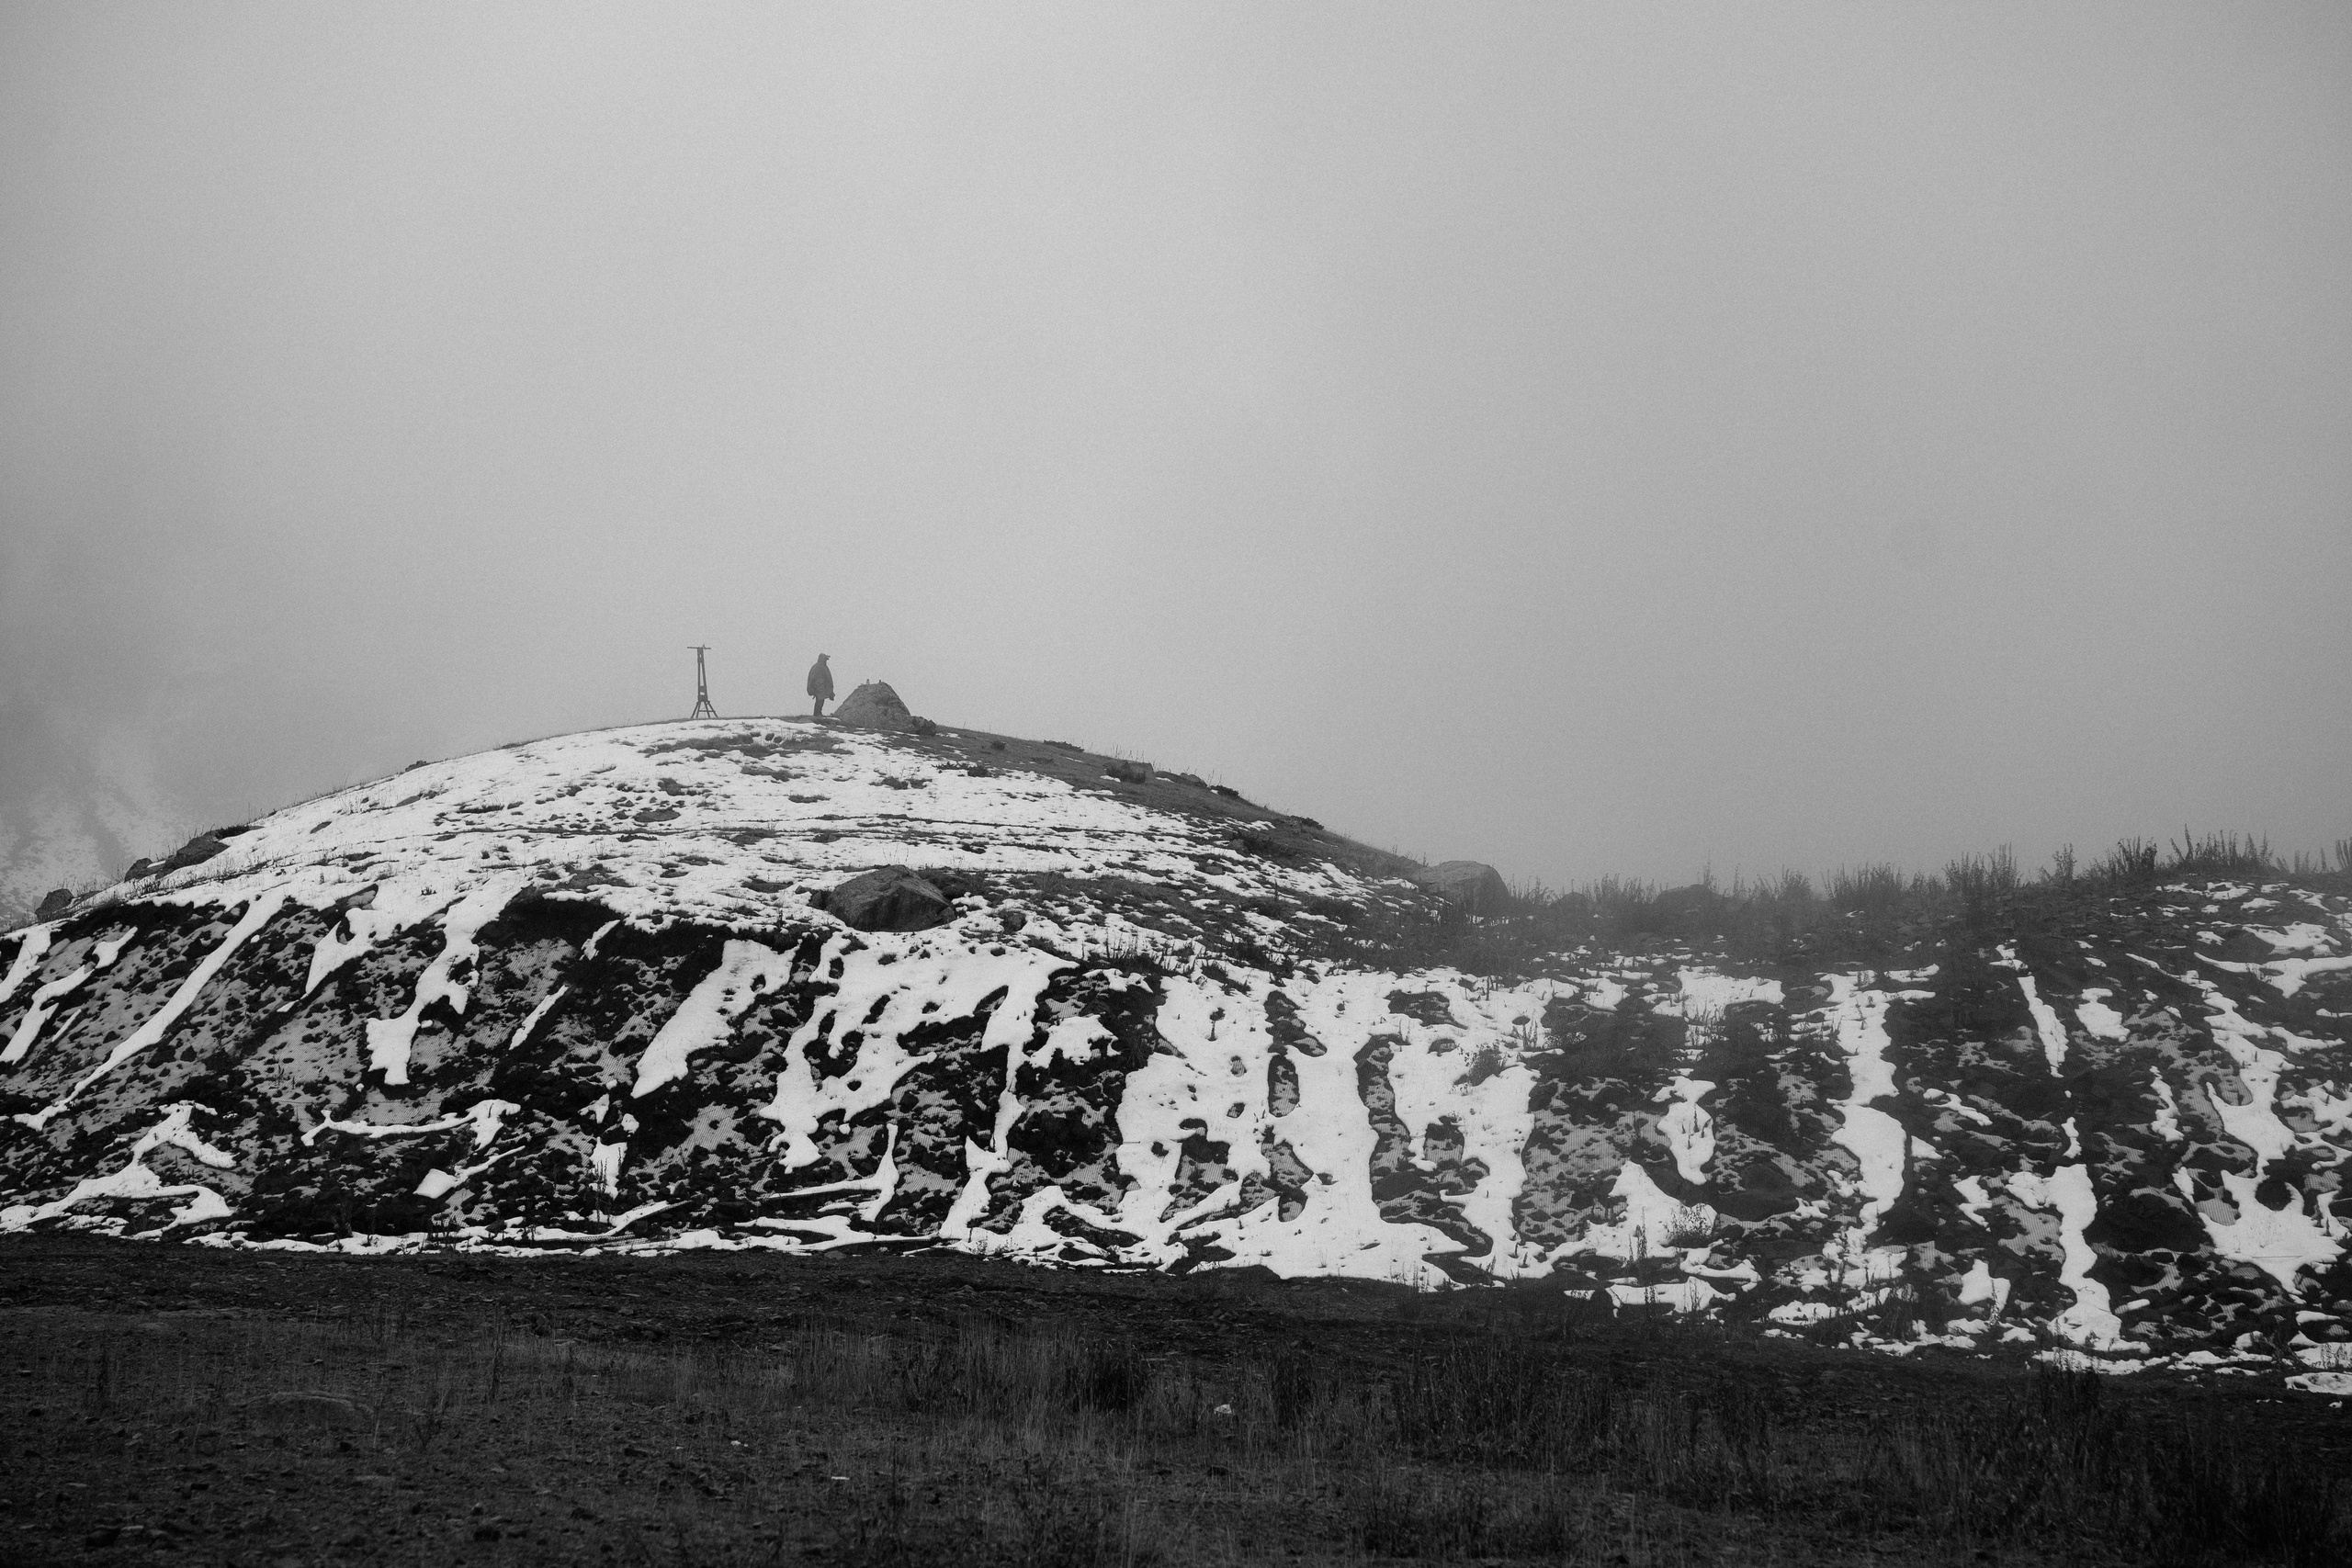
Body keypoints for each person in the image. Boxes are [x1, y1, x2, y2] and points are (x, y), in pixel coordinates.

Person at [806, 652, 835, 717]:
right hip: (818, 687)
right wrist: (811, 687)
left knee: (821, 700)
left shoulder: (823, 667)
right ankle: (817, 713)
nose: (826, 660)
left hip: (822, 687)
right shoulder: (817, 667)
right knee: (820, 700)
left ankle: (818, 713)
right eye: (825, 659)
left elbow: (828, 679)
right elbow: (812, 678)